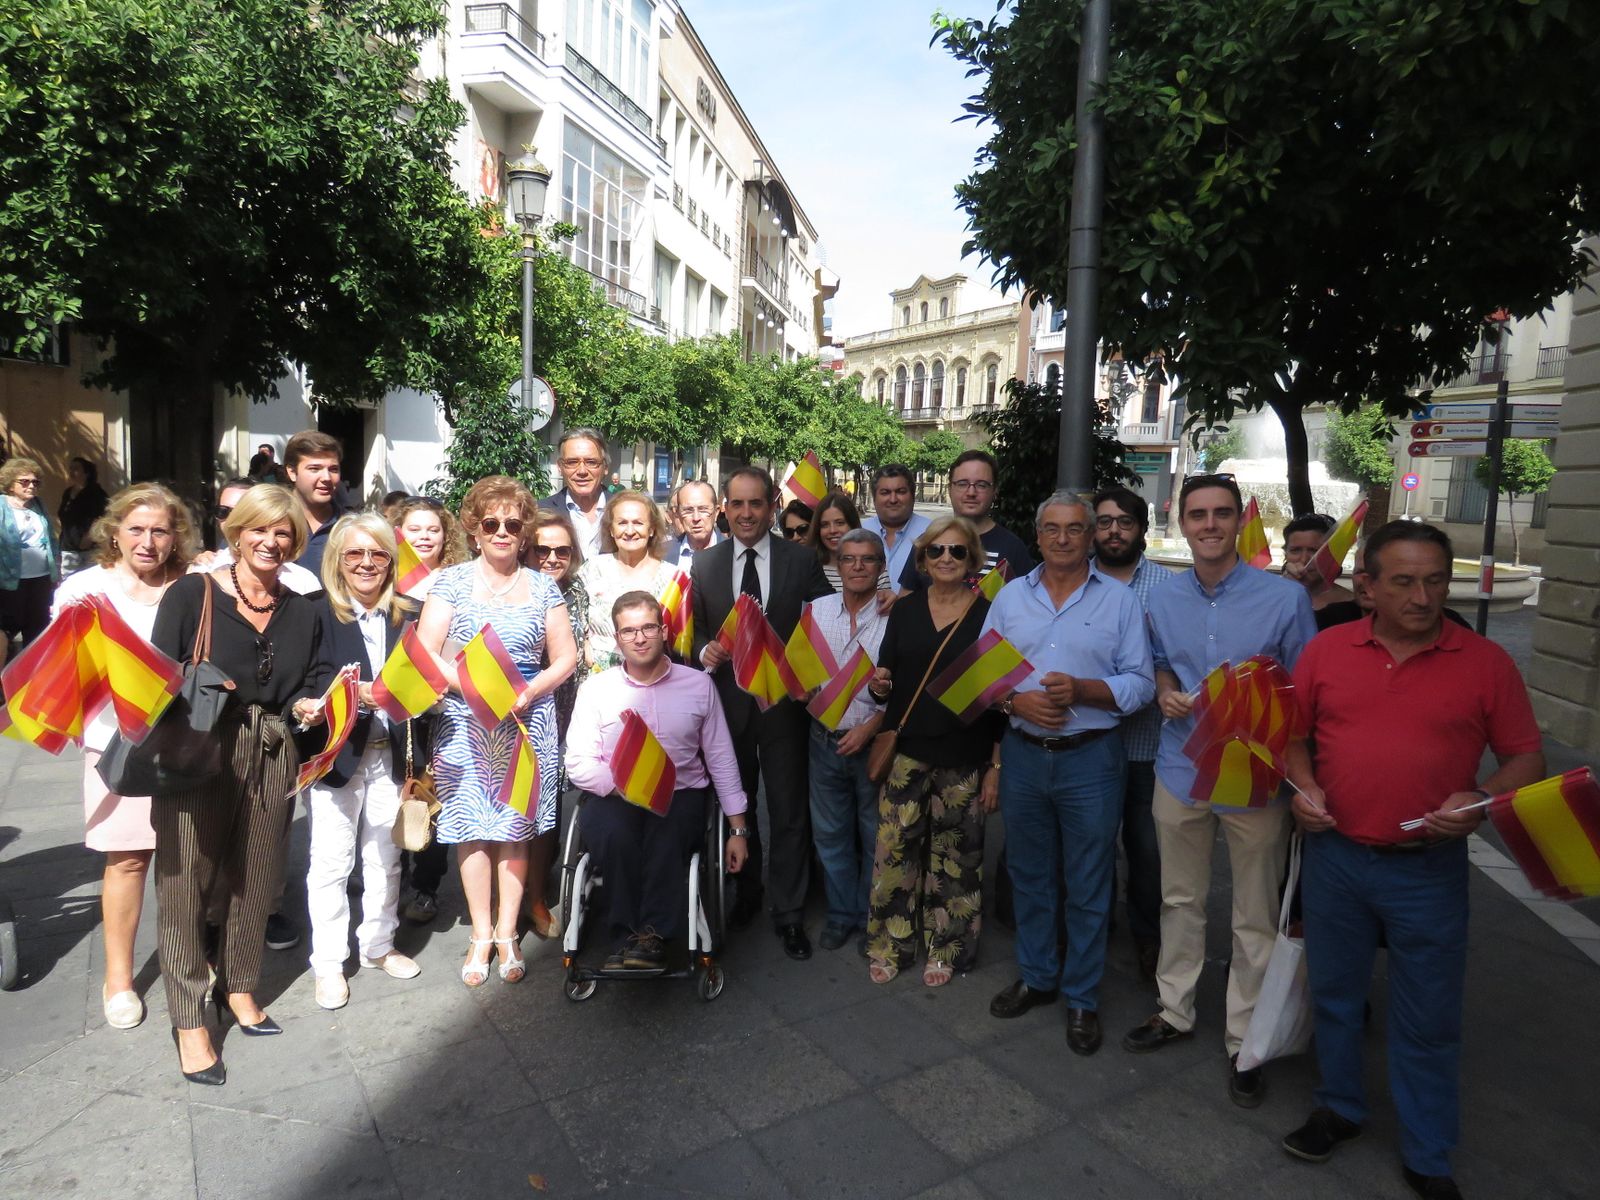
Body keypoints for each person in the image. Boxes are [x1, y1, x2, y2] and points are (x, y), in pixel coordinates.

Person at [1280, 521, 1544, 1200]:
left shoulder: (1486, 662)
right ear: (1367, 588)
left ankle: (1428, 1151)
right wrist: (1303, 788)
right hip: (1335, 856)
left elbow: (1526, 758)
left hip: (1426, 868)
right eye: (1403, 581)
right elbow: (1295, 740)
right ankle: (1339, 1106)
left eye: (1434, 580)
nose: (1422, 597)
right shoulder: (1328, 651)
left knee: (1427, 1016)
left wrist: (1481, 800)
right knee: (1336, 998)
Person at [1120, 473, 1317, 1109]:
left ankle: (1244, 1039)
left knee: (1254, 914)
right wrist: (1163, 687)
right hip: (1181, 767)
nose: (1209, 525)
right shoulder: (1163, 600)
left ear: (1239, 522)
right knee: (1179, 899)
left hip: (1257, 778)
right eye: (1198, 514)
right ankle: (1173, 1011)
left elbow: (1305, 692)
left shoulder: (1283, 601)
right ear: (1181, 521)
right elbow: (1156, 660)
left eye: (1222, 514)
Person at [150, 484, 331, 1086]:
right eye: (259, 529)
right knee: (186, 879)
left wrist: (310, 700)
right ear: (236, 532)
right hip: (200, 745)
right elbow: (154, 669)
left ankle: (240, 985)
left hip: (273, 746)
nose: (271, 542)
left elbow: (320, 671)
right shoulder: (192, 592)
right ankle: (188, 1019)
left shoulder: (303, 608)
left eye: (283, 533)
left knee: (258, 875)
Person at [984, 494, 1155, 1055]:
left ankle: (1082, 995)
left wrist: (1087, 691)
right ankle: (1037, 976)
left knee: (1088, 882)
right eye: (1052, 529)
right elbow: (984, 681)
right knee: (1030, 875)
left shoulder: (1121, 602)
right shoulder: (1009, 598)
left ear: (1089, 537)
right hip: (1026, 755)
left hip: (1092, 758)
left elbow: (1142, 683)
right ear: (1037, 535)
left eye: (1075, 529)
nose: (1063, 539)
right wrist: (1015, 704)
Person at [416, 476, 577, 987]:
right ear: (474, 527)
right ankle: (480, 932)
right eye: (492, 523)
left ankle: (508, 931)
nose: (503, 531)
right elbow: (426, 652)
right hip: (466, 723)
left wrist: (533, 689)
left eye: (513, 523)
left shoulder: (544, 586)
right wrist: (471, 688)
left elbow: (566, 657)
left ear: (525, 529)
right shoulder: (450, 582)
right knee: (471, 831)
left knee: (514, 830)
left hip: (526, 722)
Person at [51, 483, 197, 1030]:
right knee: (128, 858)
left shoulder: (192, 583)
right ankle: (118, 979)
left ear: (175, 535)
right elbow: (63, 665)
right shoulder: (85, 588)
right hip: (115, 742)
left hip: (183, 739)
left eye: (161, 530)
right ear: (113, 531)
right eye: (136, 529)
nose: (148, 540)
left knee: (188, 858)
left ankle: (190, 962)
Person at [565, 591, 750, 967]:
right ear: (617, 638)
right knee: (614, 835)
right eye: (629, 631)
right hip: (615, 793)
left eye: (648, 627)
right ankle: (624, 935)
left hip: (680, 791)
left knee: (666, 836)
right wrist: (623, 785)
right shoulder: (596, 690)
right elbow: (578, 761)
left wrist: (738, 831)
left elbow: (721, 759)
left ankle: (651, 937)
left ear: (664, 631)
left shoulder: (698, 685)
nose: (639, 637)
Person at [691, 466, 832, 959]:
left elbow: (825, 626)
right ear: (724, 509)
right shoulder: (705, 565)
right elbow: (696, 633)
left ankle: (789, 912)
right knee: (739, 805)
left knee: (790, 811)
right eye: (738, 504)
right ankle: (746, 893)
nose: (747, 513)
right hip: (727, 709)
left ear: (773, 504)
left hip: (786, 710)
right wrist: (707, 649)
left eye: (756, 504)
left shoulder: (800, 559)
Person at [864, 516, 1001, 986]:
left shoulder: (989, 616)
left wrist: (995, 765)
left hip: (965, 751)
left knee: (957, 858)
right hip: (908, 748)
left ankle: (947, 948)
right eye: (937, 551)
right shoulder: (904, 611)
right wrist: (879, 687)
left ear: (972, 561)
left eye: (957, 551)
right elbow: (887, 680)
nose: (946, 558)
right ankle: (890, 944)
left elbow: (998, 696)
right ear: (922, 559)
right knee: (894, 851)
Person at [305, 514, 429, 1010]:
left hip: (393, 755)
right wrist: (317, 702)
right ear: (337, 559)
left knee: (386, 857)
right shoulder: (314, 612)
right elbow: (300, 682)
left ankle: (379, 944)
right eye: (354, 553)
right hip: (336, 757)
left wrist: (407, 702)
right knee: (331, 865)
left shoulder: (412, 614)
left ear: (391, 560)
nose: (366, 563)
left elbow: (431, 684)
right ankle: (330, 964)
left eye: (377, 554)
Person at [1092, 485, 1172, 979]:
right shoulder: (1074, 584)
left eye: (1124, 521)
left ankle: (1148, 937)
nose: (1114, 530)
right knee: (1092, 847)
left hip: (1147, 748)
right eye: (1104, 521)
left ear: (1142, 528)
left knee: (1147, 852)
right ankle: (1093, 930)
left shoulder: (1167, 587)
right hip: (1091, 747)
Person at [804, 529, 889, 952]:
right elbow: (799, 674)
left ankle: (871, 917)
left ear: (881, 567)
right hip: (824, 741)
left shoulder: (898, 616)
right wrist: (801, 689)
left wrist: (871, 726)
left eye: (868, 559)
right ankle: (841, 916)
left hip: (873, 741)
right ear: (837, 566)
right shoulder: (816, 611)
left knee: (876, 836)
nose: (858, 566)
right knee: (831, 835)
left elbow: (909, 688)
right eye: (849, 559)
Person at [517, 508, 590, 938]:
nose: (551, 557)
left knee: (548, 807)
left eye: (561, 550)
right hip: (517, 708)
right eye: (542, 549)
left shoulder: (578, 592)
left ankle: (535, 896)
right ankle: (506, 896)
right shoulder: (512, 587)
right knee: (513, 805)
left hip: (567, 708)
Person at [898, 450, 1036, 590]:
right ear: (950, 489)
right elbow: (906, 600)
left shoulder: (1014, 549)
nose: (971, 493)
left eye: (981, 485)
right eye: (962, 484)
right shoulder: (927, 542)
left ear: (995, 491)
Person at [575, 491, 680, 673]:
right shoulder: (590, 570)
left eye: (638, 523)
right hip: (598, 674)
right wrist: (584, 645)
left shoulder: (674, 577)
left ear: (652, 529)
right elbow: (573, 618)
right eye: (622, 523)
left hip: (654, 676)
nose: (630, 531)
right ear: (611, 529)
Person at [193, 479, 321, 597]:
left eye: (281, 533)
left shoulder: (303, 582)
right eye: (223, 511)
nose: (270, 542)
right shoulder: (201, 574)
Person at [0, 456, 60, 658]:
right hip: (10, 580)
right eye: (24, 481)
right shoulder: (2, 506)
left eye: (35, 482)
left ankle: (32, 675)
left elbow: (50, 538)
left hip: (41, 577)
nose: (31, 486)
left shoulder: (38, 505)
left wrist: (55, 572)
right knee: (8, 627)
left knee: (37, 628)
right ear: (10, 484)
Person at [538, 427, 609, 558]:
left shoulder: (626, 512)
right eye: (572, 462)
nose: (582, 471)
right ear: (560, 467)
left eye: (591, 462)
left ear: (605, 467)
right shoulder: (540, 511)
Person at [283, 430, 346, 572]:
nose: (327, 478)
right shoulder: (268, 522)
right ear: (292, 472)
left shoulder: (349, 527)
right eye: (314, 469)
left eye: (334, 469)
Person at [1280, 513, 1356, 628]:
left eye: (1314, 551)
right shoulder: (1269, 596)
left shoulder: (1353, 606)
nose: (1304, 559)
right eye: (1295, 550)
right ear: (1285, 553)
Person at [392, 495, 469, 602]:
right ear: (398, 532)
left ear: (445, 535)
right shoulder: (385, 577)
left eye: (433, 530)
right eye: (414, 530)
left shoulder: (460, 580)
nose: (424, 536)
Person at [861, 464, 928, 586]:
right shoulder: (861, 531)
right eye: (885, 492)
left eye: (900, 492)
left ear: (912, 496)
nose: (893, 499)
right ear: (874, 498)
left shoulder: (931, 533)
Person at [56, 455, 109, 572]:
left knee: (90, 584)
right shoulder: (68, 493)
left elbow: (102, 517)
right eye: (70, 468)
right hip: (69, 548)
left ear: (87, 473)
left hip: (89, 549)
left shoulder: (96, 493)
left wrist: (89, 537)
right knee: (69, 583)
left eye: (76, 468)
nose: (72, 471)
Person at [662, 480, 721, 569]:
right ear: (678, 514)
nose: (696, 518)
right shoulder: (661, 554)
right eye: (688, 510)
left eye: (703, 509)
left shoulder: (734, 553)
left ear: (716, 512)